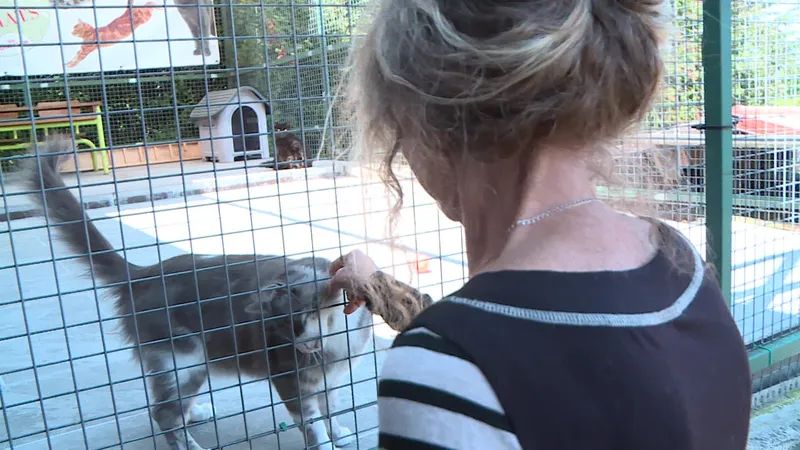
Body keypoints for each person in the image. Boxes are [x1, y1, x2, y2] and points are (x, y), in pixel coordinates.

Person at [331, 0, 752, 448]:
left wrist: (426, 347)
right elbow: (540, 350)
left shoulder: (441, 368)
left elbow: (496, 356)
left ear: (422, 121)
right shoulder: (678, 264)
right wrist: (378, 287)